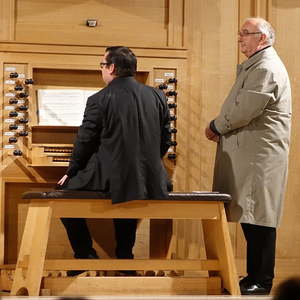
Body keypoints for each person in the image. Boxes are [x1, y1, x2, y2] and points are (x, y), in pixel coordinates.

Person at [57, 46, 172, 275]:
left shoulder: (99, 98)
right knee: (131, 188)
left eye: (102, 65)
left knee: (62, 196)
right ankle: (124, 259)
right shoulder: (157, 95)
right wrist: (146, 164)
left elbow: (85, 140)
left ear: (111, 68)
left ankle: (84, 254)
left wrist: (72, 170)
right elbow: (165, 139)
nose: (102, 70)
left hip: (113, 175)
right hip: (151, 176)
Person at [205, 17, 291, 295]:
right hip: (253, 154)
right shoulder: (257, 65)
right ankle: (255, 274)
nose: (240, 39)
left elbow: (246, 109)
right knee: (252, 216)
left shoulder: (266, 67)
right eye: (240, 33)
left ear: (262, 39)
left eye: (245, 34)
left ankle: (262, 279)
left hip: (260, 156)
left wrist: (217, 125)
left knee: (260, 218)